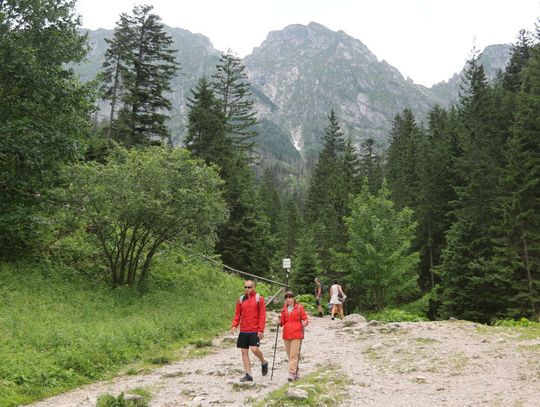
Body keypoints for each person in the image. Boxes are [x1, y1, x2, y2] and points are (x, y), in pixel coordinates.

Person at [231, 280, 269, 382]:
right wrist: (234, 325)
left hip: (254, 329)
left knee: (254, 350)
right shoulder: (241, 299)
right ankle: (248, 374)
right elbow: (237, 314)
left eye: (249, 287)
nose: (247, 289)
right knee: (244, 351)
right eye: (246, 287)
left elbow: (262, 315)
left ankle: (264, 362)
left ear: (254, 287)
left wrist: (261, 330)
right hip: (244, 329)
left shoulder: (258, 298)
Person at [280, 291, 309, 381]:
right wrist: (279, 321)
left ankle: (292, 373)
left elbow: (305, 318)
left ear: (293, 298)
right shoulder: (284, 309)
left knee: (293, 355)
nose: (288, 299)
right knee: (289, 355)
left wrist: (305, 322)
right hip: (286, 334)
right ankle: (296, 371)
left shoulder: (299, 308)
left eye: (290, 297)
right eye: (286, 298)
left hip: (297, 333)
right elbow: (282, 323)